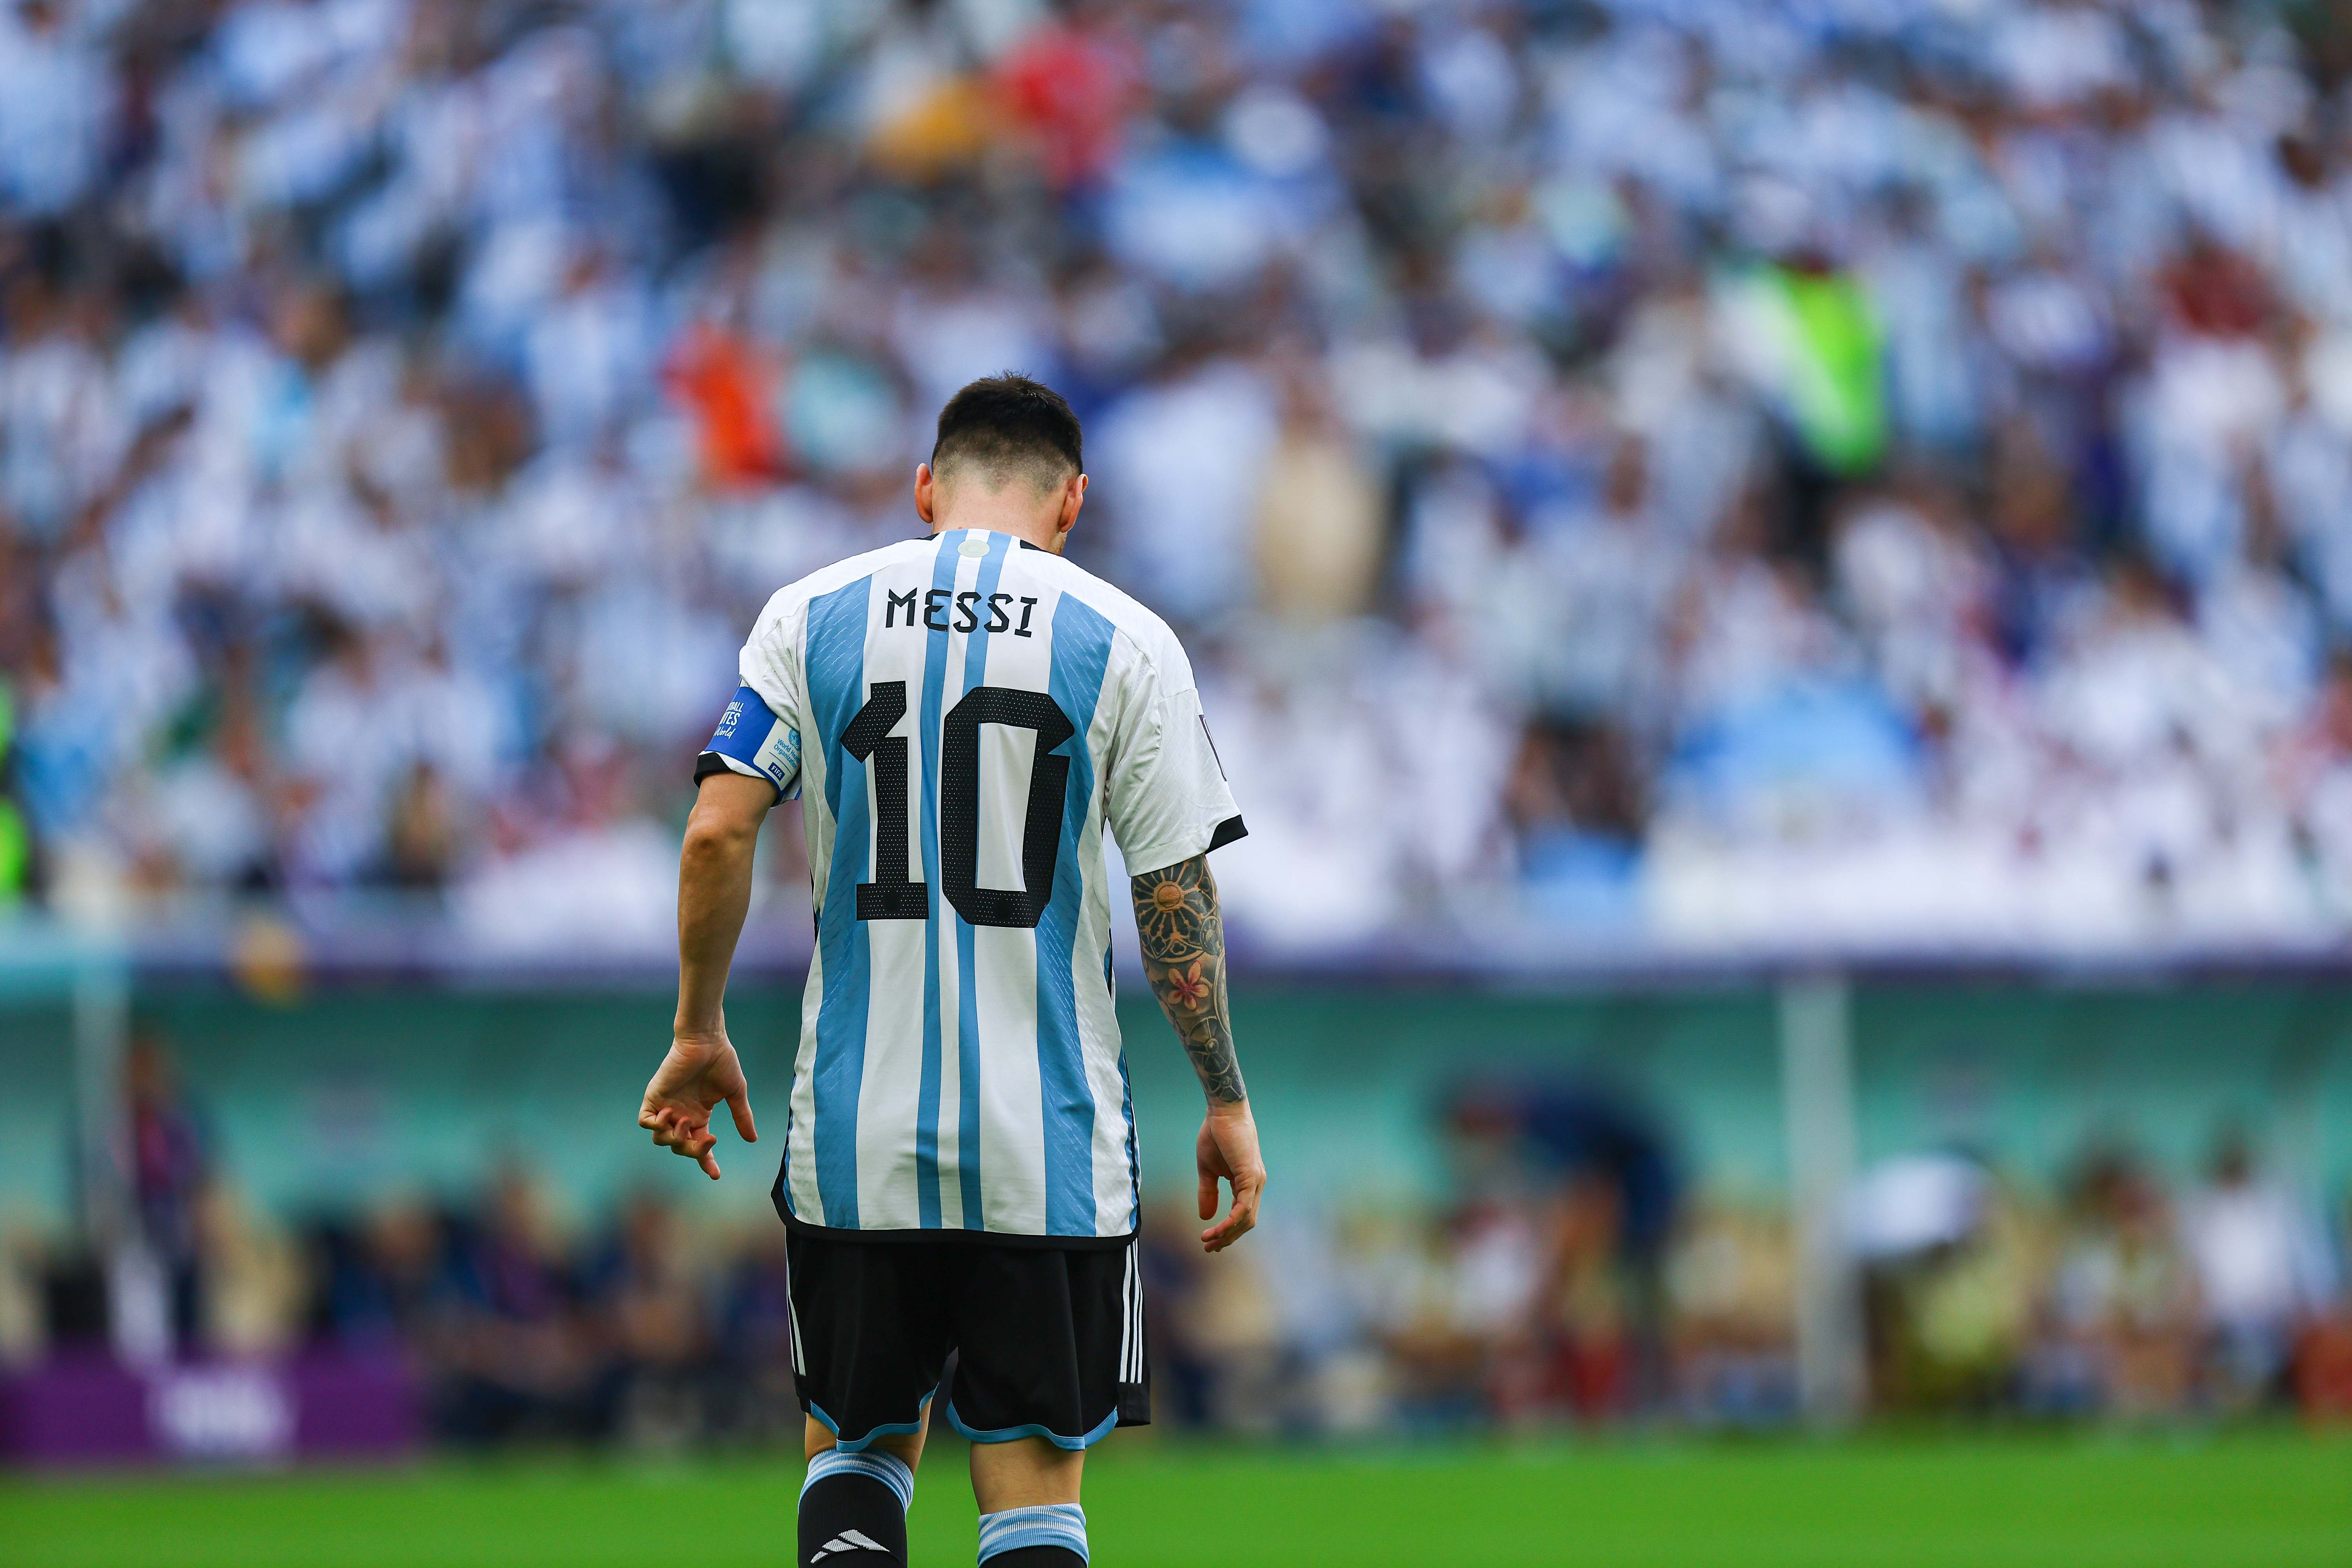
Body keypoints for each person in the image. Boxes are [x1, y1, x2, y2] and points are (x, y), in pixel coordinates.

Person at [636, 374, 1267, 1568]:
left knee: (858, 1454)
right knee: (1034, 1492)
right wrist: (1225, 1098)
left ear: (926, 488)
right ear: (1071, 502)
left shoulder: (809, 614)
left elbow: (718, 830)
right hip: (1052, 1151)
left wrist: (699, 1027)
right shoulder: (1126, 639)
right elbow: (1173, 898)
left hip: (858, 1142)